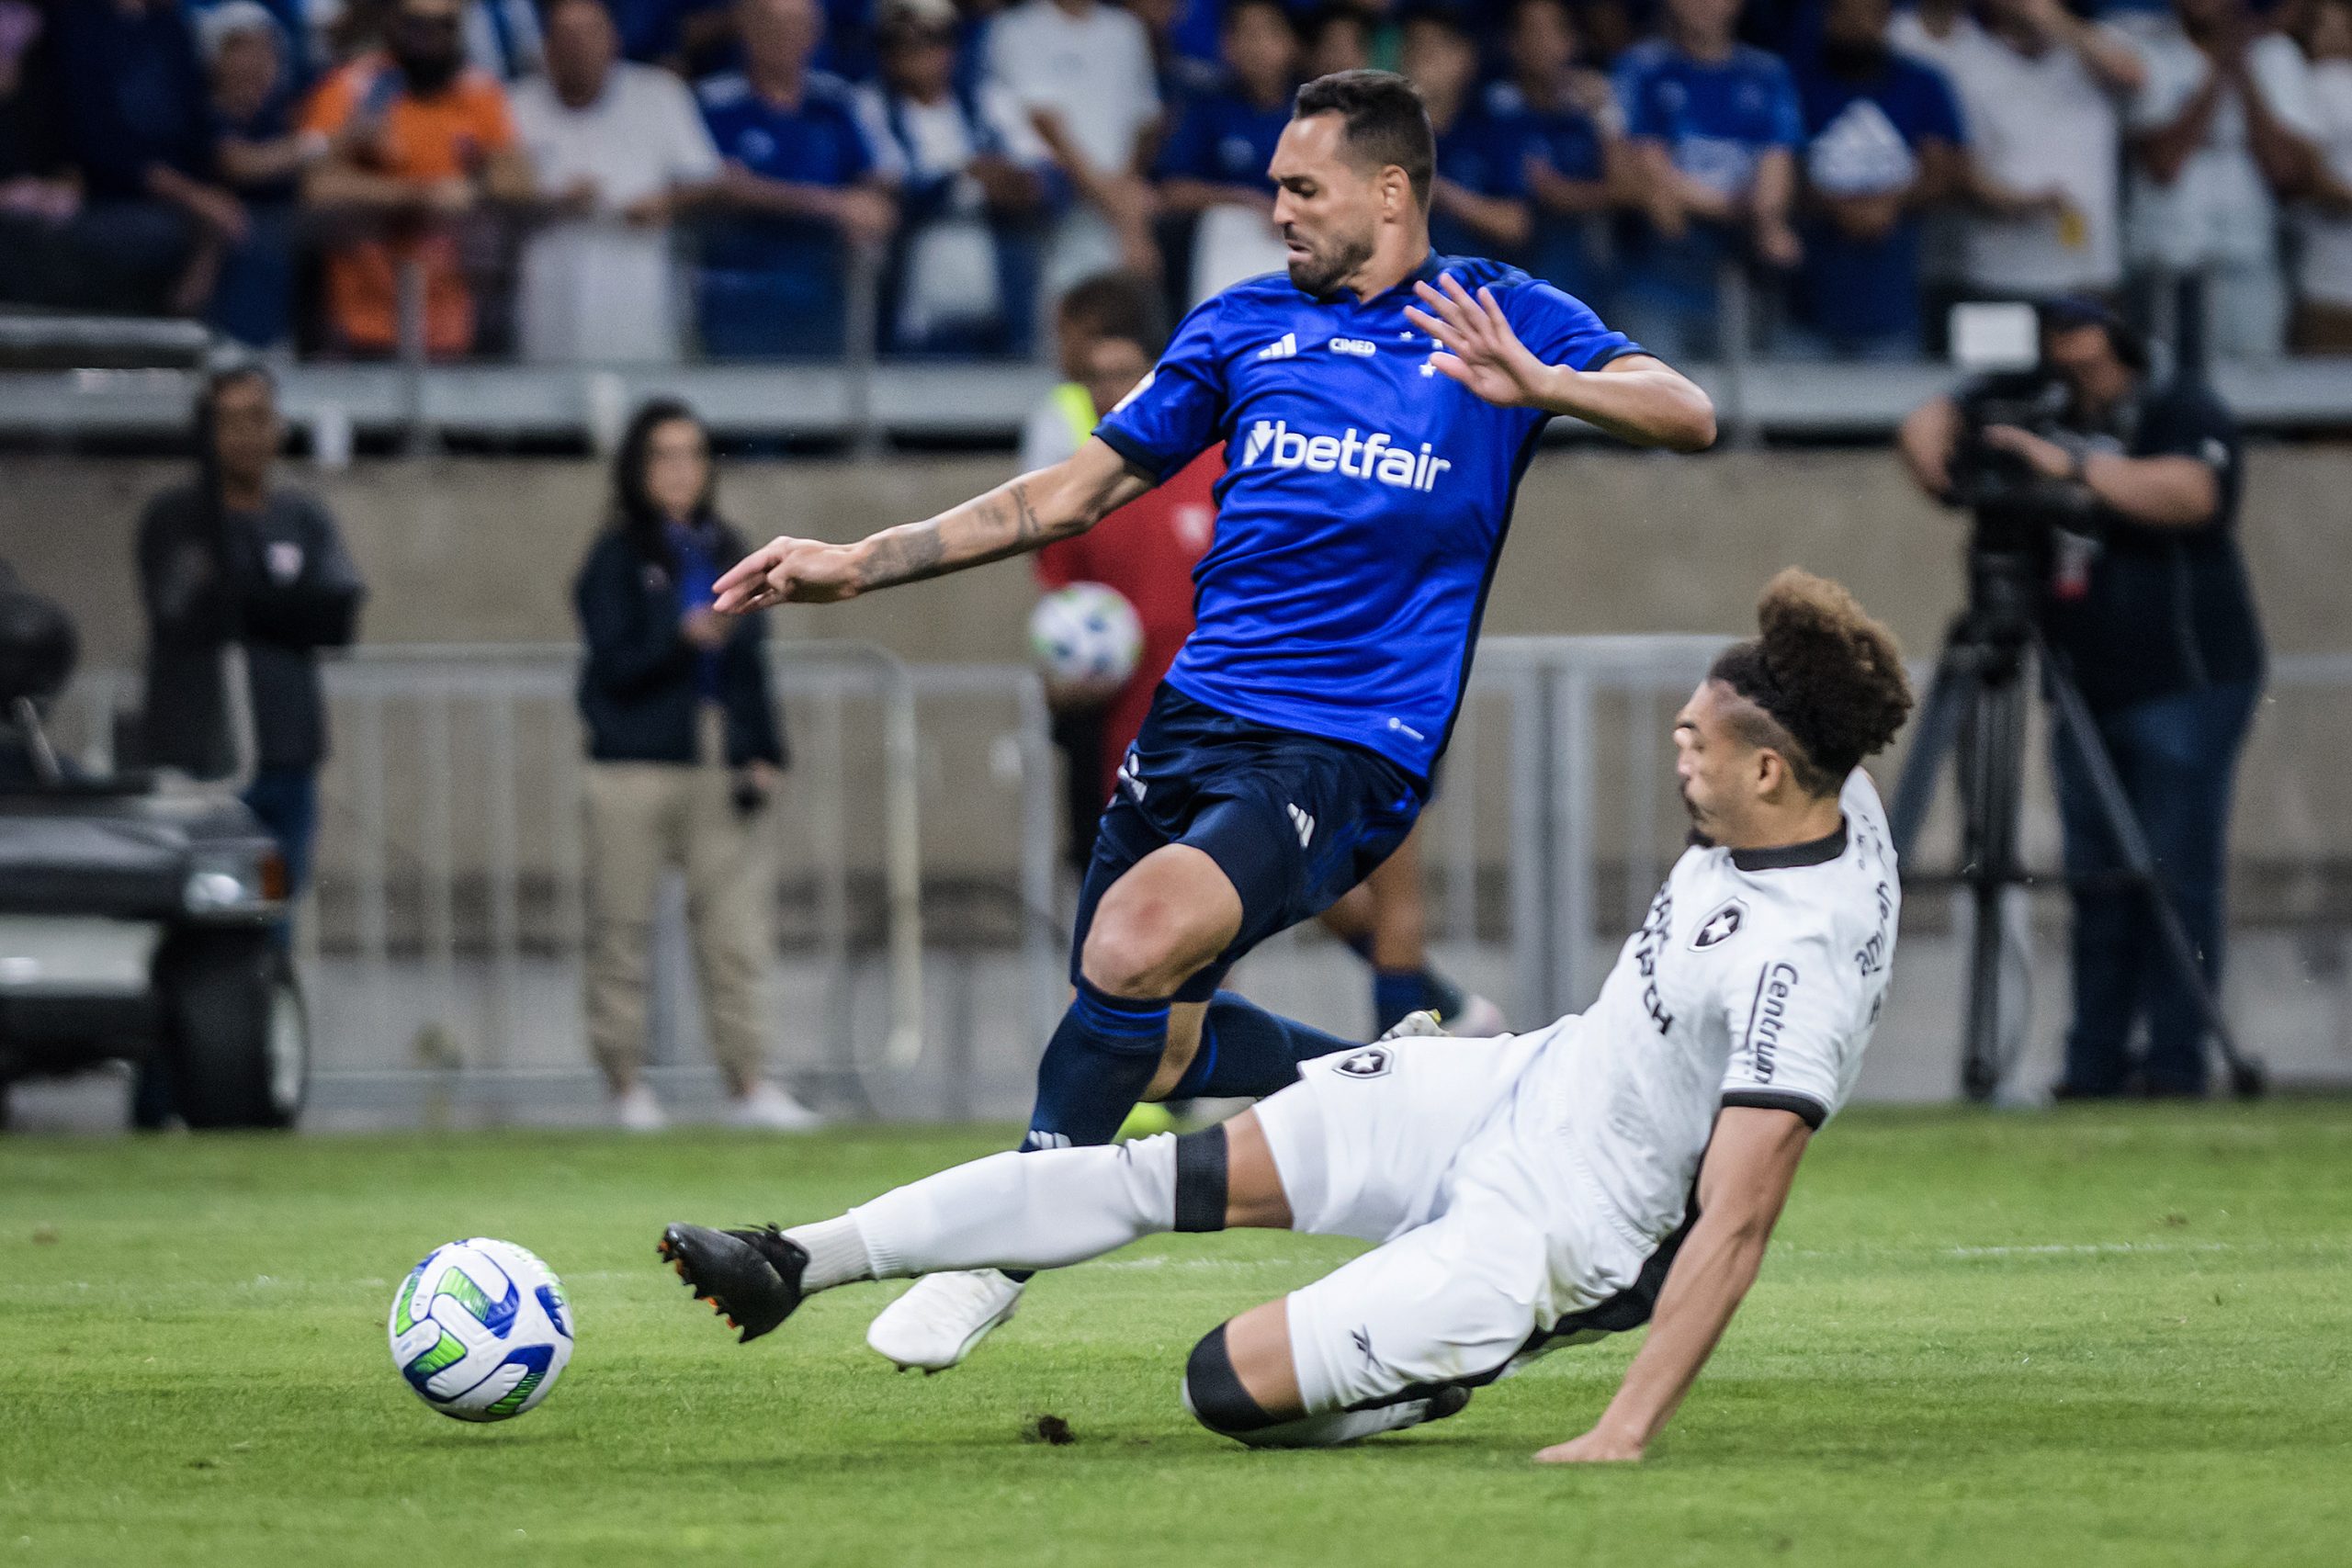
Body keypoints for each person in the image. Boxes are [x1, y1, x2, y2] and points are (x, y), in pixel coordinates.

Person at [706, 69, 1713, 1372]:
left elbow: (1688, 411)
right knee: (1163, 1039)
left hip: (1347, 745)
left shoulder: (1500, 316)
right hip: (1190, 722)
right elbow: (1067, 497)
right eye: (1276, 185)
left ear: (1392, 191)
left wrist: (1546, 385)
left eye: (1304, 186)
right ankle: (1415, 1088)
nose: (1276, 207)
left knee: (1130, 945)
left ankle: (993, 1246)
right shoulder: (1241, 327)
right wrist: (862, 556)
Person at [659, 569, 1910, 1461]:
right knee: (1153, 1169)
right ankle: (794, 1259)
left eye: (1699, 745)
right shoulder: (1821, 783)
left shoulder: (1800, 965)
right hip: (1512, 1082)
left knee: (1220, 1384)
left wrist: (1624, 1429)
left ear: (1767, 773)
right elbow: (1837, 697)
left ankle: (1440, 1369)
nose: (1677, 753)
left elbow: (1737, 1221)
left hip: (1566, 1229)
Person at [1895, 299, 2263, 1099]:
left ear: (2122, 341)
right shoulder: (2039, 392)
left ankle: (2175, 1066)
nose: (2069, 355)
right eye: (2058, 340)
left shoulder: (2178, 404)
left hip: (2186, 679)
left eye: (2084, 339)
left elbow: (2194, 493)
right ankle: (2091, 1066)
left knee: (2171, 877)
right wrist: (1946, 461)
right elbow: (1928, 422)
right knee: (2098, 880)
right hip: (2085, 684)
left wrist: (2066, 466)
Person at [571, 399, 821, 1134]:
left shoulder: (726, 546)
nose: (681, 470)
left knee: (736, 931)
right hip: (634, 761)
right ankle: (625, 1082)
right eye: (664, 455)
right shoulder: (615, 555)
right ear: (636, 469)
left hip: (717, 759)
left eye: (692, 454)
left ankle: (748, 1080)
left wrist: (764, 749)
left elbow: (752, 662)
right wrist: (680, 639)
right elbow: (611, 664)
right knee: (621, 926)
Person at [137, 365, 365, 905]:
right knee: (208, 910)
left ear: (278, 426)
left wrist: (247, 603)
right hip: (203, 757)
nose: (244, 436)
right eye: (228, 421)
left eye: (257, 418)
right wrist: (282, 610)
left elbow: (335, 618)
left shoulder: (303, 517)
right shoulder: (176, 518)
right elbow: (188, 616)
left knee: (277, 907)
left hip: (287, 751)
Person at [300, 0, 532, 358]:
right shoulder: (359, 86)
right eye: (417, 26)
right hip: (363, 310)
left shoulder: (477, 92)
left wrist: (474, 187)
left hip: (449, 313)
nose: (429, 39)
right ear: (394, 23)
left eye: (443, 26)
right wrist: (418, 195)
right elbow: (317, 187)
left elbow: (517, 181)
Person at [511, 0, 722, 365]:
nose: (578, 46)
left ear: (614, 41)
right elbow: (496, 195)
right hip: (545, 298)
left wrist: (665, 201)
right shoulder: (516, 104)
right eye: (566, 37)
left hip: (642, 297)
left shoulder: (659, 94)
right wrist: (555, 202)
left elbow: (709, 182)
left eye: (589, 34)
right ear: (546, 47)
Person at [695, 0, 895, 357]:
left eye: (797, 24)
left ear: (815, 33)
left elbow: (875, 181)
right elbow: (720, 186)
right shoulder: (715, 102)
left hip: (825, 297)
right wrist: (831, 204)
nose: (784, 35)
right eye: (771, 22)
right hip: (737, 296)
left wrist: (869, 205)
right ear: (746, 28)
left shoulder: (835, 101)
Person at [854, 0, 1057, 355]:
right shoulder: (868, 105)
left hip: (1001, 301)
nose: (917, 53)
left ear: (951, 46)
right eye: (899, 41)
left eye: (931, 39)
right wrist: (968, 179)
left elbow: (1038, 178)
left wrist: (1004, 184)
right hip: (915, 308)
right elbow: (891, 187)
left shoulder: (987, 103)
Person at [2123, 0, 2321, 362]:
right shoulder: (2145, 47)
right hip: (2167, 259)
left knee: (2257, 386)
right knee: (2170, 386)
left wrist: (2243, 69)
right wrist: (2220, 65)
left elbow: (2287, 171)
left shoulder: (2276, 55)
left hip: (2248, 260)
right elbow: (2164, 162)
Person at [1611, 0, 1805, 361]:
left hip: (1743, 276)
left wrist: (1768, 217)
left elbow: (1777, 161)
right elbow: (1646, 167)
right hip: (1658, 278)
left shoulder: (1767, 73)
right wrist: (1741, 208)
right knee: (1652, 399)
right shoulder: (1643, 67)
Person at [1929, 0, 2143, 310]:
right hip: (1998, 277)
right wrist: (2025, 202)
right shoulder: (1963, 61)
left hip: (2090, 278)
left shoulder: (2093, 45)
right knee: (1994, 358)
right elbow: (1958, 173)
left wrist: (2049, 15)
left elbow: (2131, 75)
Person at [1789, 0, 1964, 359]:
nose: (1857, 27)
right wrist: (1838, 208)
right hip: (1805, 302)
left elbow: (1946, 171)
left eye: (1869, 15)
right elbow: (1779, 168)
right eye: (1845, 15)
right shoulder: (1796, 84)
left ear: (1887, 20)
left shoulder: (1923, 84)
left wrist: (1889, 205)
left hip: (1895, 297)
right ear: (1826, 18)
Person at [981, 0, 1164, 289]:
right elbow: (1043, 125)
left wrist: (1124, 195)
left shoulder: (1126, 30)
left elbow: (1146, 121)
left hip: (1117, 204)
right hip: (1054, 212)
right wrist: (1125, 217)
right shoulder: (1017, 28)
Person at [1154, 0, 1301, 306]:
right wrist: (1247, 201)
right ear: (1227, 45)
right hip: (1227, 245)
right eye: (1245, 34)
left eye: (1268, 33)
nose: (1257, 46)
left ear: (1291, 43)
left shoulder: (1319, 112)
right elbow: (1173, 191)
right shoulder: (1208, 108)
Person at [200, 2, 324, 350]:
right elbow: (239, 165)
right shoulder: (203, 114)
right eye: (241, 49)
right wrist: (323, 144)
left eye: (265, 50)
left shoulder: (283, 116)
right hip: (223, 277)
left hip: (286, 280)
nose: (254, 62)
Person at [1490, 0, 1627, 306]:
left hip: (1588, 284)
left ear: (1571, 42)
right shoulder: (1496, 113)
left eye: (1553, 31)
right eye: (1532, 31)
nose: (1542, 43)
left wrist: (1606, 113)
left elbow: (1629, 187)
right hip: (1515, 287)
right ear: (1513, 43)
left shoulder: (1587, 117)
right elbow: (1546, 192)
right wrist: (1601, 193)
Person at [1399, 6, 1533, 264]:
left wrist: (1439, 191)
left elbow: (1515, 225)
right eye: (1414, 45)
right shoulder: (1385, 131)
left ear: (1466, 59)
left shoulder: (1490, 128)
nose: (1421, 57)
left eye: (1436, 46)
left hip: (1478, 288)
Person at [2292, 0, 2352, 350]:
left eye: (2340, 27)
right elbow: (2306, 176)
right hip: (2328, 276)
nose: (2327, 38)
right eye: (2318, 27)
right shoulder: (2313, 82)